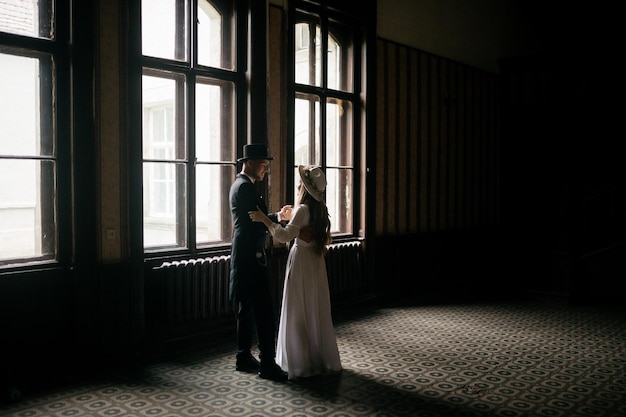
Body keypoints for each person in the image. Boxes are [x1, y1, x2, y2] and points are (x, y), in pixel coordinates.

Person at [248, 165, 342, 379]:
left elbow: (284, 236)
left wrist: (265, 219)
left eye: (301, 182)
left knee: (298, 308)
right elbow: (300, 227)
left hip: (301, 261)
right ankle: (316, 357)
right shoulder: (318, 209)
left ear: (305, 188)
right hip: (315, 262)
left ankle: (300, 360)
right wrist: (292, 219)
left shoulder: (303, 209)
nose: (298, 184)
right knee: (314, 307)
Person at [229, 143, 289, 382]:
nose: (266, 169)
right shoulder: (245, 187)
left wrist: (275, 216)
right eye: (264, 165)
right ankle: (267, 363)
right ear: (250, 163)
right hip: (251, 258)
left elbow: (256, 216)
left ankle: (243, 357)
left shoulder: (241, 185)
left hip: (243, 256)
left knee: (245, 310)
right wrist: (276, 218)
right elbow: (256, 220)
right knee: (265, 311)